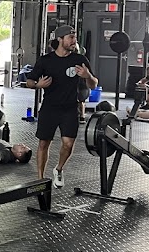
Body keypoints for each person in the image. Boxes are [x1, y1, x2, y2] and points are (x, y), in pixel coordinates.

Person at [25, 25, 98, 188]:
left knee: (68, 144)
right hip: (49, 108)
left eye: (75, 38)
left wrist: (88, 76)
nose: (74, 41)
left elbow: (93, 84)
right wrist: (37, 85)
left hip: (70, 108)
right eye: (70, 38)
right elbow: (29, 81)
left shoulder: (79, 60)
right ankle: (40, 179)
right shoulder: (45, 60)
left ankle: (59, 169)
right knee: (43, 144)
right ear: (60, 39)